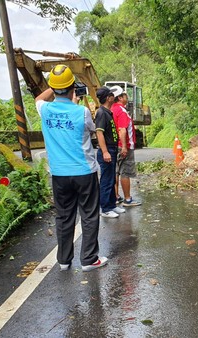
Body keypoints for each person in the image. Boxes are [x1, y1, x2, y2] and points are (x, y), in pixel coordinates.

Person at [35, 64, 108, 271]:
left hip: (59, 174)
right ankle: (88, 259)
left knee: (64, 217)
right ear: (71, 88)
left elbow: (38, 99)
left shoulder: (45, 109)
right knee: (89, 215)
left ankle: (64, 260)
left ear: (53, 87)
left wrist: (54, 86)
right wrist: (73, 99)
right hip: (84, 172)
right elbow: (91, 130)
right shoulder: (82, 112)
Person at [95, 86, 127, 218]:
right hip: (107, 150)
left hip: (112, 149)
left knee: (111, 179)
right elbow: (99, 132)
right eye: (111, 95)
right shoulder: (101, 113)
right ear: (108, 98)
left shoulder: (108, 112)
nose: (114, 97)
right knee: (106, 180)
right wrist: (105, 151)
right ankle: (105, 208)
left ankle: (112, 205)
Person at [111, 86, 142, 207]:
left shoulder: (111, 109)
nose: (126, 97)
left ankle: (116, 196)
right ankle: (127, 199)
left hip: (114, 145)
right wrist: (124, 146)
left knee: (116, 172)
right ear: (120, 98)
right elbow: (122, 130)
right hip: (124, 145)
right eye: (124, 95)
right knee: (125, 172)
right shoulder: (121, 111)